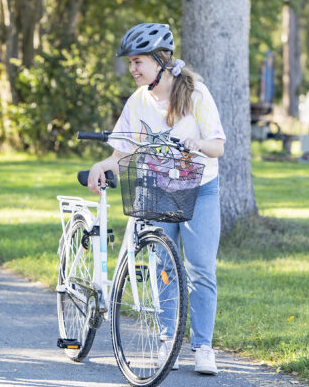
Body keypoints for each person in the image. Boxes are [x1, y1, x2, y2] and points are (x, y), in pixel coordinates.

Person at [87, 23, 226, 375]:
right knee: (162, 266)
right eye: (131, 63)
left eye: (138, 62)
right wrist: (100, 166)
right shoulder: (137, 101)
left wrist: (197, 145)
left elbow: (218, 146)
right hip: (159, 189)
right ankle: (168, 342)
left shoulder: (196, 95)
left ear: (161, 61)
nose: (132, 69)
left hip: (199, 189)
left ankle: (203, 346)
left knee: (201, 269)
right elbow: (121, 152)